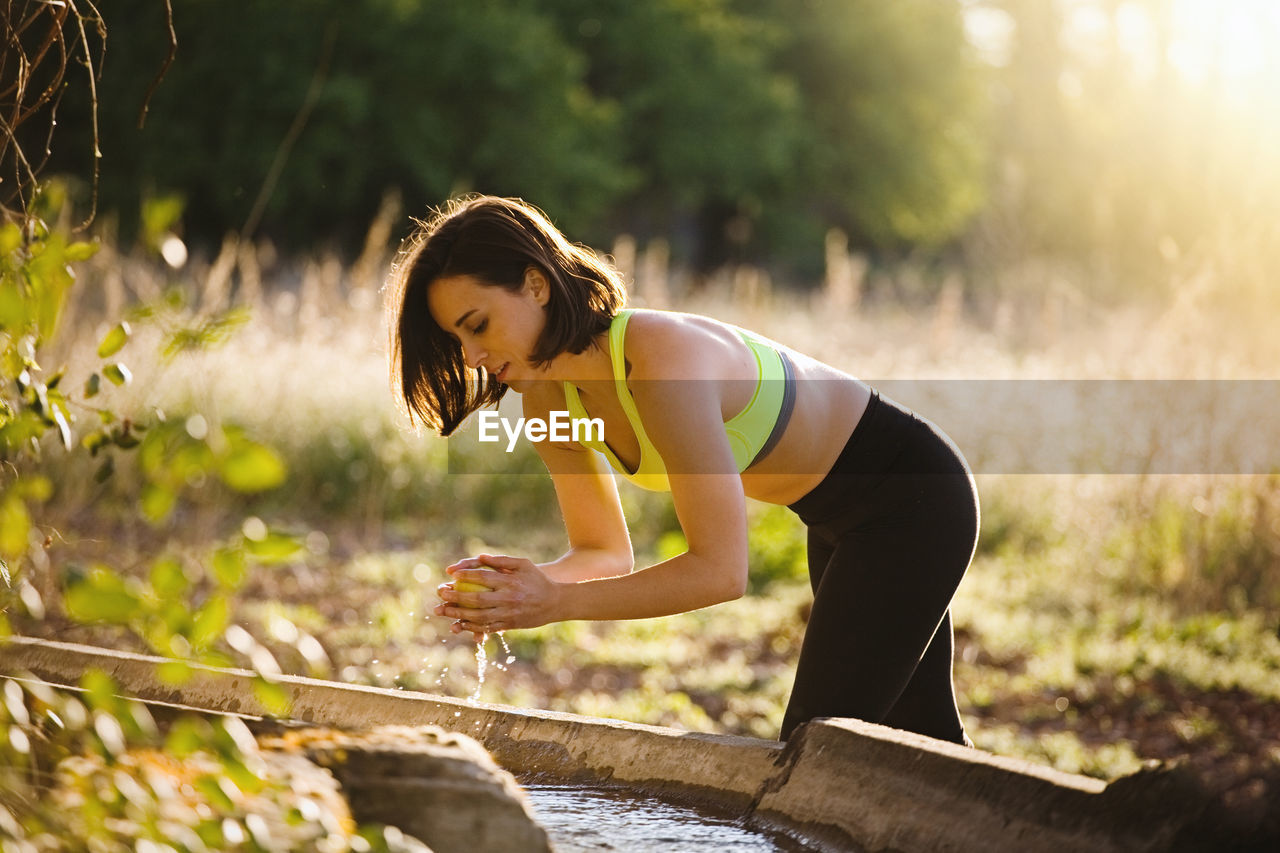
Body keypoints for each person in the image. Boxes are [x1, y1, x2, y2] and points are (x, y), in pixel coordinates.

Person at [386, 194, 979, 745]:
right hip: (838, 524)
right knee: (923, 745)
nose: (471, 358)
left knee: (817, 746)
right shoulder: (546, 398)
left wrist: (556, 604)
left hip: (913, 500)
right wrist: (522, 590)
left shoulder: (661, 360)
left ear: (536, 285)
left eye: (478, 325)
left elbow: (721, 572)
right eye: (456, 339)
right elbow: (603, 552)